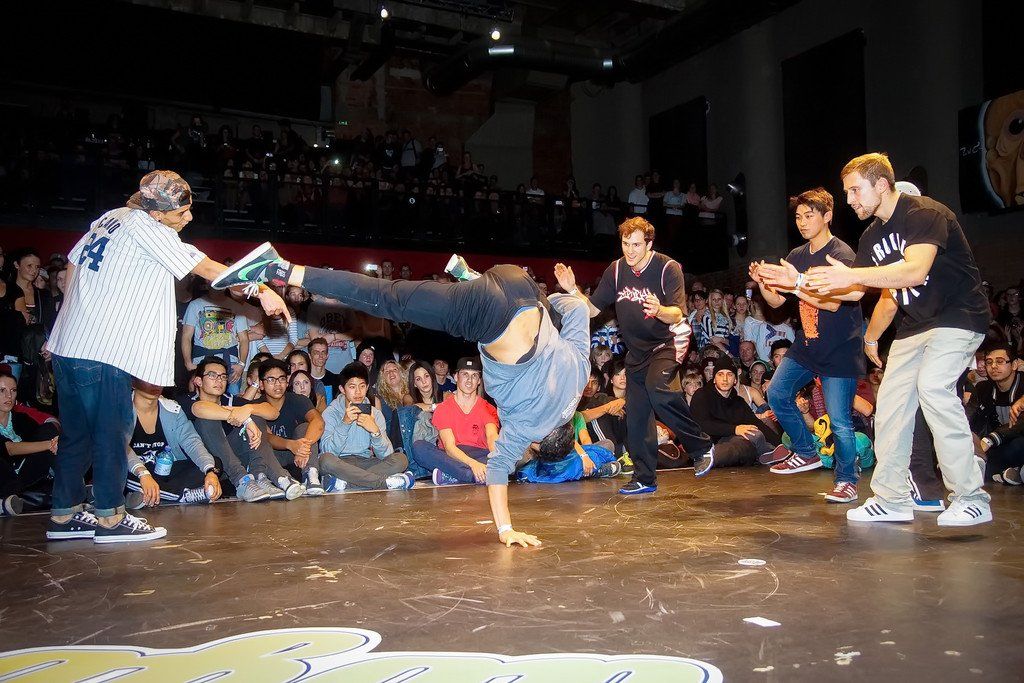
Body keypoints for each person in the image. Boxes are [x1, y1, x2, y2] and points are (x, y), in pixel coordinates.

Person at [212, 246, 590, 547]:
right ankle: (278, 268)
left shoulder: (580, 374)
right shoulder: (529, 428)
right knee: (386, 297)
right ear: (540, 441)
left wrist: (555, 299)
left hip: (522, 285)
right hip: (490, 316)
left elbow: (575, 308)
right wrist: (506, 529)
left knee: (549, 318)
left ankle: (475, 280)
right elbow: (496, 472)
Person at [44, 171, 287, 543]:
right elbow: (206, 268)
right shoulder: (149, 228)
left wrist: (70, 318)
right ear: (156, 212)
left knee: (77, 433)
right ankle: (110, 517)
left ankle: (64, 514)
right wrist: (262, 290)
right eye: (181, 212)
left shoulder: (112, 217)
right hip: (101, 351)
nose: (188, 218)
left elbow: (74, 263)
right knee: (112, 431)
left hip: (69, 346)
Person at [803, 153, 992, 526]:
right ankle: (892, 499)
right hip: (915, 326)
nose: (850, 200)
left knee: (933, 388)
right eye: (847, 192)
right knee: (890, 404)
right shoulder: (871, 236)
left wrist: (853, 276)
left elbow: (914, 271)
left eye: (855, 190)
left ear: (881, 184)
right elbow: (860, 291)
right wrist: (796, 283)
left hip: (958, 316)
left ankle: (971, 497)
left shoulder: (925, 213)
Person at [555, 216, 715, 495]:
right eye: (626, 244)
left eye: (637, 245)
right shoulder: (616, 270)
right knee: (637, 415)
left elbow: (677, 313)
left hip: (667, 343)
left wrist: (659, 310)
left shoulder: (667, 268)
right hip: (636, 353)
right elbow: (592, 310)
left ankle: (701, 447)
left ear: (649, 244)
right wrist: (572, 289)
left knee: (658, 388)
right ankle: (644, 478)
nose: (630, 251)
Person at [753, 187, 866, 503]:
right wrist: (764, 283)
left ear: (827, 216)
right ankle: (806, 451)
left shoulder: (840, 254)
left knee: (839, 420)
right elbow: (776, 302)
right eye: (798, 217)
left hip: (840, 348)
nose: (802, 222)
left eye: (809, 215)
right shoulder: (797, 256)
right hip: (808, 344)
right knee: (777, 392)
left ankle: (847, 480)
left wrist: (796, 285)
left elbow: (832, 303)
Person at [124, 378, 223, 507]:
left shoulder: (172, 409)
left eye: (159, 378)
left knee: (214, 463)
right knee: (117, 473)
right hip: (136, 471)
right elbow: (119, 447)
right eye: (148, 378)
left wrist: (209, 471)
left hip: (166, 471)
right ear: (133, 382)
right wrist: (143, 473)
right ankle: (182, 496)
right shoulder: (120, 409)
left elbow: (192, 442)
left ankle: (145, 495)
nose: (155, 383)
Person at [318, 362, 412, 491]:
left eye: (362, 386)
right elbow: (328, 451)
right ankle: (383, 483)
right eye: (352, 387)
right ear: (342, 389)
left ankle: (346, 483)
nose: (358, 392)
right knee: (325, 460)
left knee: (401, 459)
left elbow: (386, 454)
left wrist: (375, 432)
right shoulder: (330, 412)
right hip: (341, 463)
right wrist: (344, 424)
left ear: (367, 387)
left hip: (366, 462)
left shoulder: (375, 414)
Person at [412, 357, 500, 486]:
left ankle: (454, 474)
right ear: (456, 377)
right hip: (452, 456)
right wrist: (473, 464)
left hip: (480, 454)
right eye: (465, 374)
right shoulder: (443, 408)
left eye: (474, 375)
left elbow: (492, 436)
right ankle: (472, 474)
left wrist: (498, 457)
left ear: (479, 381)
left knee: (509, 454)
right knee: (419, 447)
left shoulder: (488, 408)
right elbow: (449, 447)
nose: (469, 380)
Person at [689, 357, 786, 468]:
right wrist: (735, 429)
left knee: (752, 437)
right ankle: (708, 458)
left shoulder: (738, 402)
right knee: (744, 444)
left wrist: (782, 446)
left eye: (729, 375)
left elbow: (756, 423)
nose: (725, 379)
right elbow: (702, 425)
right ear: (714, 379)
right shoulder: (702, 395)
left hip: (732, 441)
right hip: (706, 442)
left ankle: (772, 454)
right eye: (720, 374)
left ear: (735, 380)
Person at [258, 359, 325, 495]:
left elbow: (318, 421)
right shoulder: (257, 406)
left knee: (305, 427)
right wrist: (290, 444)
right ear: (261, 384)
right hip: (272, 458)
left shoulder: (298, 400)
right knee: (260, 442)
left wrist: (303, 447)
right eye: (271, 380)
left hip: (300, 458)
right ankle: (282, 479)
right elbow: (267, 437)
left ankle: (310, 475)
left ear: (287, 382)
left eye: (281, 379)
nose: (277, 384)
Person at [0, 371, 59, 516]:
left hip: (24, 474)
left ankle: (69, 482)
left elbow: (43, 433)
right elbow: (9, 449)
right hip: (5, 474)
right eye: (2, 391)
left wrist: (54, 442)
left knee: (49, 429)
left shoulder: (20, 418)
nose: (9, 396)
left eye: (13, 390)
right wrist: (49, 444)